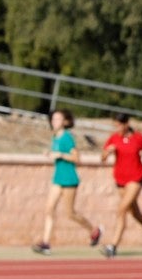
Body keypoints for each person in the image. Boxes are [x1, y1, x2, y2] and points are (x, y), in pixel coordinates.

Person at [32, 109, 101, 255]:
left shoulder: (67, 138)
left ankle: (94, 230)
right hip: (57, 178)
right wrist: (50, 154)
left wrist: (60, 154)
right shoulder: (55, 138)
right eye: (53, 119)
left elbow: (77, 158)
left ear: (65, 122)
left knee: (70, 213)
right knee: (49, 209)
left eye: (58, 119)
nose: (54, 122)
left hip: (69, 179)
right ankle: (46, 243)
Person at [100, 112, 142, 258]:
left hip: (135, 178)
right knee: (135, 213)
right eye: (116, 125)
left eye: (120, 125)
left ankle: (113, 246)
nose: (118, 128)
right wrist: (108, 152)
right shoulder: (114, 138)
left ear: (126, 124)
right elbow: (102, 157)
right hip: (120, 179)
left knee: (121, 210)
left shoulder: (138, 137)